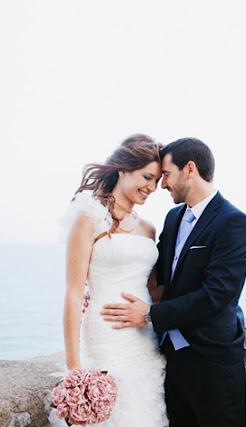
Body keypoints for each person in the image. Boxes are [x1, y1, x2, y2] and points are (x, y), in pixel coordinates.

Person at [101, 137, 246, 427]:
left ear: (190, 169)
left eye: (166, 175)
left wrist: (148, 315)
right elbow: (156, 276)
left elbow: (216, 296)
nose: (162, 185)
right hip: (169, 360)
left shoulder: (233, 222)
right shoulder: (172, 218)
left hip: (212, 361)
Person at [55, 134, 168, 426]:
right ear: (123, 169)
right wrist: (74, 369)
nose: (151, 187)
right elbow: (73, 294)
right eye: (146, 177)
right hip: (105, 336)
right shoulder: (89, 219)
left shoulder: (148, 229)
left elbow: (152, 289)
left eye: (156, 181)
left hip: (143, 339)